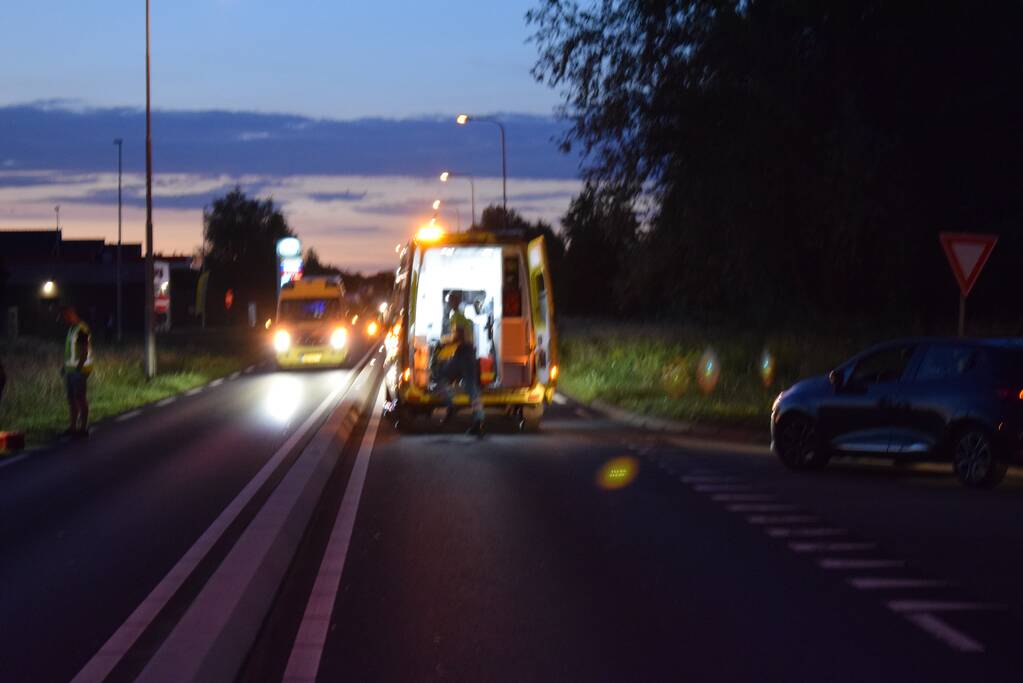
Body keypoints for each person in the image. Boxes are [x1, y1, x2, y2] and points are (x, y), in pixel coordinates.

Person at [438, 291, 485, 436]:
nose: (449, 304)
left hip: (462, 355)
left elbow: (459, 337)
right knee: (472, 389)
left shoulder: (456, 316)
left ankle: (451, 405)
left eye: (450, 301)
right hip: (469, 354)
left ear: (454, 302)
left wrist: (443, 343)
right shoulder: (466, 318)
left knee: (441, 377)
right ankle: (479, 420)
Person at [60, 305, 93, 437]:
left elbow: (84, 350)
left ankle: (83, 428)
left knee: (80, 398)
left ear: (73, 314)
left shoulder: (82, 329)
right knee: (72, 399)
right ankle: (73, 427)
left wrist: (79, 368)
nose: (66, 319)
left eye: (67, 316)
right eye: (64, 317)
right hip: (71, 370)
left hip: (79, 370)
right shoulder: (72, 329)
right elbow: (70, 352)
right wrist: (65, 367)